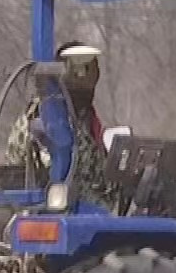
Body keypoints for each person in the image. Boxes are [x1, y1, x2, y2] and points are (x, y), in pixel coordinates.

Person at [6, 41, 107, 186]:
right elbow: (57, 168)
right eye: (78, 70)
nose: (83, 78)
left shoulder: (85, 116)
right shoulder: (43, 115)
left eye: (88, 70)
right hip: (45, 198)